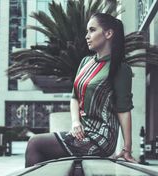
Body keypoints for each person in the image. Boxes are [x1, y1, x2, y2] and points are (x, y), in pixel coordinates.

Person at [25, 12, 137, 168]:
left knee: (35, 144)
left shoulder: (120, 69)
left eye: (92, 30)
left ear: (108, 33)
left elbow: (123, 110)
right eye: (87, 31)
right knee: (40, 149)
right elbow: (74, 97)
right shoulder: (85, 62)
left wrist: (127, 148)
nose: (87, 36)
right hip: (81, 132)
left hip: (101, 137)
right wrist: (75, 122)